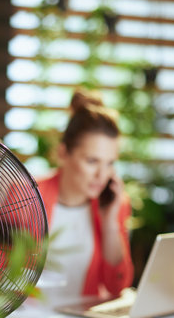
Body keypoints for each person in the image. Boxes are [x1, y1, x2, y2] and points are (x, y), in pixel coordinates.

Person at [37, 88, 134, 307]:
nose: (102, 175)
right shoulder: (25, 196)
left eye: (110, 163)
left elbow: (117, 287)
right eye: (92, 161)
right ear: (63, 154)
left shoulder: (116, 204)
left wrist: (110, 223)